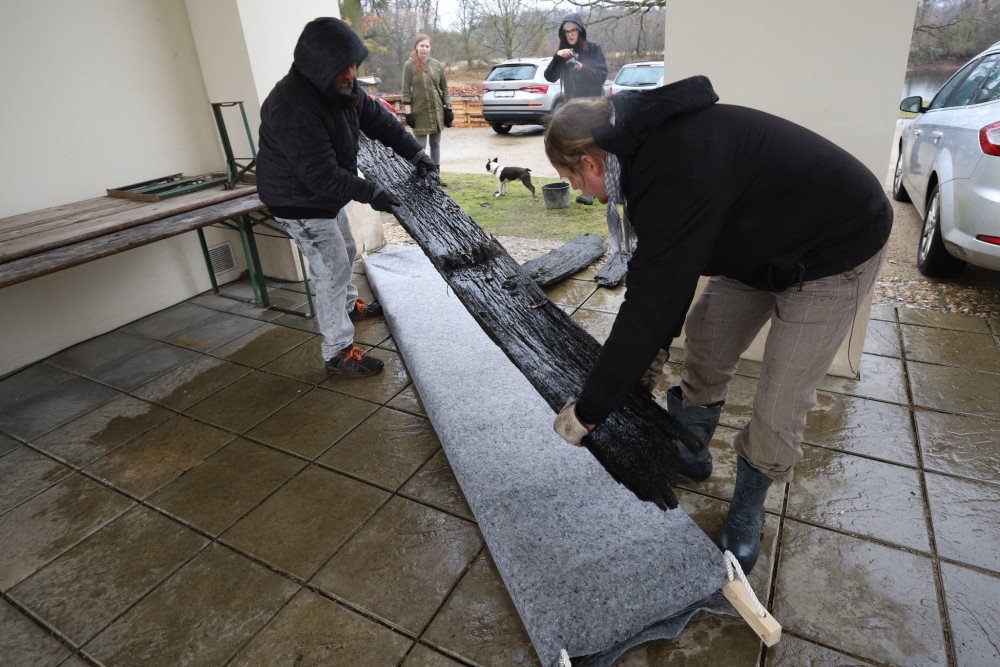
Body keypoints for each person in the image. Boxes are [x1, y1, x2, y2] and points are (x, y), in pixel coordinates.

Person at [547, 76, 892, 573]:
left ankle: (749, 504)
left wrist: (590, 411)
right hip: (761, 242)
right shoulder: (641, 156)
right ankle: (693, 449)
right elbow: (665, 277)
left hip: (834, 249)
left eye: (574, 179)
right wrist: (645, 361)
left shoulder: (674, 167)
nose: (580, 191)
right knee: (707, 338)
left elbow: (652, 303)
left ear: (590, 163)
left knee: (782, 396)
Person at [256, 17, 437, 377]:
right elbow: (321, 175)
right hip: (297, 199)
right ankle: (337, 351)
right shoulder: (292, 106)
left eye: (353, 64)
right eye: (343, 67)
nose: (351, 73)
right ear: (319, 65)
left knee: (347, 250)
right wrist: (372, 192)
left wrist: (417, 154)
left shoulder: (341, 88)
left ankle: (350, 305)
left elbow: (380, 121)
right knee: (331, 269)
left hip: (321, 194)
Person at [402, 34, 453, 186]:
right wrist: (408, 113)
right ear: (416, 46)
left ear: (430, 48)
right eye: (422, 46)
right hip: (419, 112)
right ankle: (420, 176)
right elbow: (406, 91)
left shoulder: (436, 65)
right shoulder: (409, 65)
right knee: (420, 148)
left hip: (437, 112)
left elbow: (444, 88)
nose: (424, 49)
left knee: (436, 144)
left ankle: (435, 176)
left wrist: (448, 109)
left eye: (427, 46)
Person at [543, 13, 608, 101]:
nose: (570, 34)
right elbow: (550, 77)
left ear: (579, 31)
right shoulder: (564, 53)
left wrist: (582, 68)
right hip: (572, 104)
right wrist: (557, 57)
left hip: (592, 104)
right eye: (567, 31)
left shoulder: (593, 48)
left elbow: (601, 77)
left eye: (573, 30)